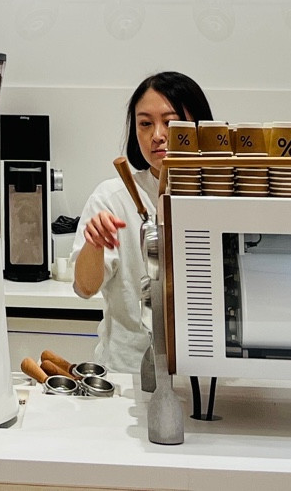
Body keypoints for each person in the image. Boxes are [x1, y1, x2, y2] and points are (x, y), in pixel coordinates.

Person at [72, 71, 214, 374]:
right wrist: (94, 243)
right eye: (145, 123)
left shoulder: (219, 193)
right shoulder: (113, 197)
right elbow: (84, 288)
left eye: (170, 121)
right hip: (130, 373)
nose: (158, 134)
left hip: (207, 370)